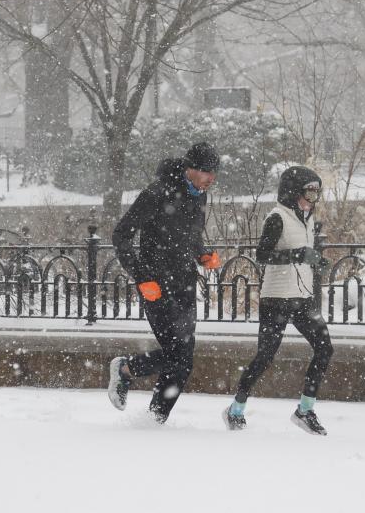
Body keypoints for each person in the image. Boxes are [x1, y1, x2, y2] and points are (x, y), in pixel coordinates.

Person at [107, 142, 221, 423]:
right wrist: (141, 277)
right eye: (206, 171)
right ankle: (124, 370)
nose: (211, 178)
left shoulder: (199, 196)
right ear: (189, 168)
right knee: (175, 353)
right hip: (156, 286)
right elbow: (121, 235)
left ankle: (156, 419)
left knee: (184, 358)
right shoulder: (157, 193)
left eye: (214, 173)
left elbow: (191, 235)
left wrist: (202, 254)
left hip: (184, 284)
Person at [222, 166, 333, 436]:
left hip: (302, 298)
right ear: (293, 191)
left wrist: (316, 261)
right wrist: (298, 255)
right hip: (277, 299)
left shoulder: (306, 218)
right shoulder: (277, 217)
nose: (313, 197)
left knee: (325, 348)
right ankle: (235, 409)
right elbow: (262, 255)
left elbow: (302, 253)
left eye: (317, 192)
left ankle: (305, 410)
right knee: (265, 357)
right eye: (310, 191)